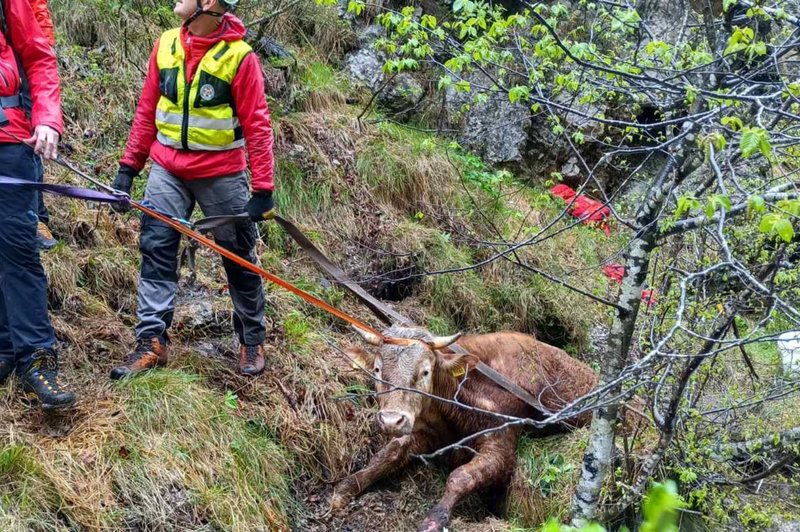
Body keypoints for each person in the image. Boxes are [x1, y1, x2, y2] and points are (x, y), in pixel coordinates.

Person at [110, 0, 275, 379]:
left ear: (210, 4)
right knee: (156, 248)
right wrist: (129, 166)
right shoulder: (166, 43)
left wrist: (263, 187)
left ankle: (251, 338)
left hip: (221, 171)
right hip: (167, 167)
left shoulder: (240, 57)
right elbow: (147, 108)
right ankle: (151, 341)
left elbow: (258, 125)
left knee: (238, 253)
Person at [0, 0, 76, 409]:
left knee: (17, 249)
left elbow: (38, 56)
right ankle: (5, 347)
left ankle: (37, 358)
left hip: (8, 142)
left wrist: (47, 118)